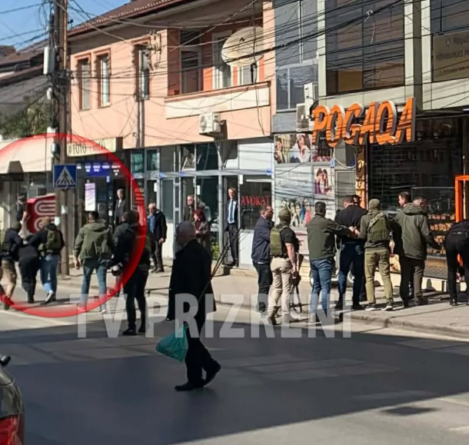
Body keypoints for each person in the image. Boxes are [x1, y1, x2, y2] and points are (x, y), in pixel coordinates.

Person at [167, 221, 221, 392]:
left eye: (177, 235)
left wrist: (188, 307)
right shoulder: (200, 251)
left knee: (190, 341)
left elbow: (191, 282)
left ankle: (200, 373)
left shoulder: (188, 255)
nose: (176, 238)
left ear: (184, 236)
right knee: (191, 339)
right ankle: (205, 369)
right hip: (198, 303)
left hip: (191, 304)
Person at [111, 211, 155, 336]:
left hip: (130, 268)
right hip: (144, 267)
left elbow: (119, 253)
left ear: (128, 220)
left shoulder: (126, 234)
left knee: (129, 296)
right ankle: (144, 324)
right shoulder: (146, 232)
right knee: (140, 295)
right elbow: (153, 247)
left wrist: (113, 263)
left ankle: (132, 326)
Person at [307, 201, 352, 321]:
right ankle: (325, 315)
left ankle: (312, 314)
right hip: (324, 258)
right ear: (324, 210)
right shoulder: (326, 223)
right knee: (325, 287)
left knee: (316, 287)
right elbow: (340, 229)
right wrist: (350, 230)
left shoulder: (310, 223)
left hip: (313, 259)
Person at [396, 196, 441, 307]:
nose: (426, 206)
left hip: (403, 250)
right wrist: (436, 246)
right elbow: (427, 235)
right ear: (420, 204)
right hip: (417, 250)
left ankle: (404, 298)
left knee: (405, 274)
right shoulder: (421, 217)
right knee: (418, 273)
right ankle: (417, 297)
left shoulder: (401, 214)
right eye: (425, 204)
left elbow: (395, 229)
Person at [73, 211, 114, 313]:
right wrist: (113, 256)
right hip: (102, 257)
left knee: (86, 280)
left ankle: (83, 305)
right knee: (102, 282)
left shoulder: (84, 229)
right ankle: (103, 306)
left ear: (89, 219)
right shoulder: (106, 229)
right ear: (98, 218)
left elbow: (78, 244)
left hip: (88, 257)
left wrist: (75, 258)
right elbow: (112, 244)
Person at [359, 199, 394, 311]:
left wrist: (356, 233)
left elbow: (362, 236)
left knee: (369, 277)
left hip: (370, 250)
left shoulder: (364, 218)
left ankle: (371, 303)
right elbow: (389, 230)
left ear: (369, 206)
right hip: (383, 249)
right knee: (386, 276)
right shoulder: (385, 216)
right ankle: (389, 302)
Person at [335, 195, 367, 310]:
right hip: (359, 245)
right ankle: (356, 301)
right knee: (358, 275)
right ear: (354, 202)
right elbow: (366, 229)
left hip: (345, 245)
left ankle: (341, 300)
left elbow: (337, 231)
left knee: (343, 272)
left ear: (345, 203)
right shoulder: (363, 213)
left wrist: (347, 232)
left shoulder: (340, 215)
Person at [268, 208, 299, 325]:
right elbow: (290, 248)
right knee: (286, 290)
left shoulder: (274, 230)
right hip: (284, 262)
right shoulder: (288, 232)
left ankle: (271, 311)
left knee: (276, 288)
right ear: (288, 219)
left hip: (274, 261)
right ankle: (286, 316)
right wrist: (294, 265)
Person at [30, 217, 64, 304]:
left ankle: (49, 291)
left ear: (44, 223)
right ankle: (54, 295)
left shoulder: (42, 232)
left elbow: (31, 242)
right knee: (53, 276)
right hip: (56, 256)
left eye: (42, 222)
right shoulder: (57, 231)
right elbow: (62, 244)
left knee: (44, 277)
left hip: (46, 256)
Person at [251, 205, 274, 314]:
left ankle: (261, 304)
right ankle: (261, 306)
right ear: (264, 212)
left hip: (264, 257)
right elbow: (272, 237)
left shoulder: (267, 223)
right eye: (270, 211)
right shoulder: (262, 225)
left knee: (267, 281)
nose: (272, 213)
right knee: (264, 283)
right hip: (261, 257)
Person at [444, 220, 469, 306]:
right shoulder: (466, 226)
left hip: (449, 239)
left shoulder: (456, 225)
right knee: (467, 268)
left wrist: (457, 265)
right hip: (463, 238)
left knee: (451, 270)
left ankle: (453, 299)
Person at [0, 222, 23, 309]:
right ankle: (7, 297)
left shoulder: (5, 233)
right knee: (12, 281)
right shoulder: (13, 233)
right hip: (7, 259)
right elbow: (19, 242)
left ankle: (3, 295)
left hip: (1, 258)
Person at [18, 235, 40, 304]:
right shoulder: (35, 246)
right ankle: (31, 295)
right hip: (35, 259)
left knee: (25, 279)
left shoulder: (21, 247)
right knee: (32, 278)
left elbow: (15, 256)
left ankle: (28, 289)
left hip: (24, 261)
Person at [147, 203, 167, 273]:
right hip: (151, 236)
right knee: (152, 252)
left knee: (157, 252)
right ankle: (155, 266)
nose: (150, 211)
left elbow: (163, 226)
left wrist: (163, 237)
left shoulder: (160, 215)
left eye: (152, 209)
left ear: (155, 209)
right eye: (149, 209)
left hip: (158, 236)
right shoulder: (149, 216)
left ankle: (160, 267)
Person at [226, 187, 239, 266]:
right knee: (231, 242)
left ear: (234, 193)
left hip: (235, 224)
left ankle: (237, 259)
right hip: (229, 224)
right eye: (229, 193)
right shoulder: (228, 202)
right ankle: (233, 259)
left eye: (232, 193)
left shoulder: (237, 202)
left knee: (235, 242)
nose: (231, 194)